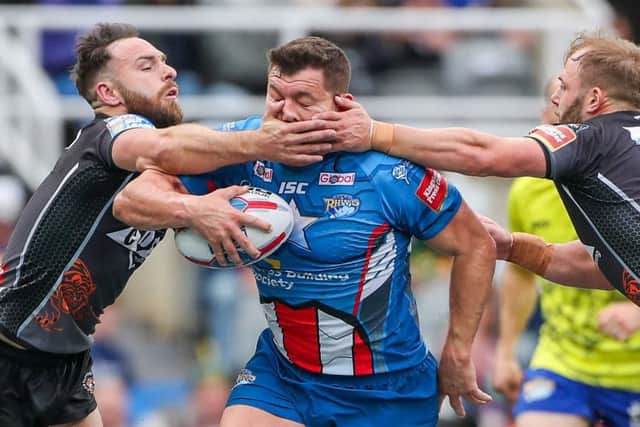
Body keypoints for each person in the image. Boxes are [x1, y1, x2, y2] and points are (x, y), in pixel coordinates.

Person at [113, 36, 495, 426]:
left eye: (303, 101)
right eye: (275, 96)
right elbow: (132, 200)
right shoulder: (241, 148)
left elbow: (476, 244)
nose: (285, 113)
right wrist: (193, 208)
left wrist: (458, 350)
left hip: (388, 390)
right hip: (285, 374)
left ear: (341, 104)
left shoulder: (387, 172)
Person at [0, 22, 336, 427]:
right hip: (8, 346)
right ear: (108, 93)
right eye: (147, 66)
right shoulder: (113, 132)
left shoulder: (162, 173)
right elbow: (162, 147)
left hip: (66, 360)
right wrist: (265, 141)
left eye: (165, 60)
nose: (169, 70)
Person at [321, 31, 640, 306]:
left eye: (564, 86)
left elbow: (484, 154)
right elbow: (606, 265)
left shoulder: (590, 138)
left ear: (595, 99)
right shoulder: (620, 147)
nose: (554, 98)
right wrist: (514, 248)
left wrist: (375, 133)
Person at [493, 77, 640, 427]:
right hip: (564, 363)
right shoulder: (527, 191)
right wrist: (506, 352)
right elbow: (520, 274)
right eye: (552, 114)